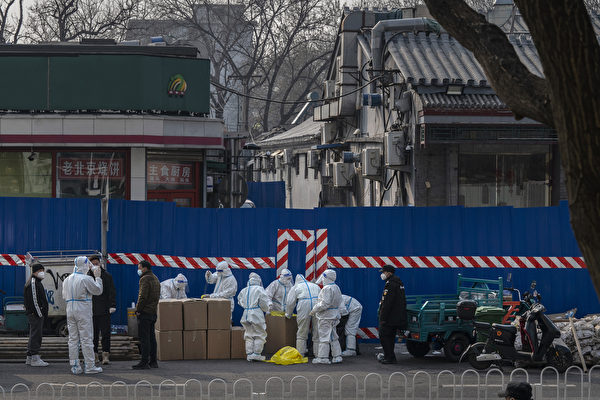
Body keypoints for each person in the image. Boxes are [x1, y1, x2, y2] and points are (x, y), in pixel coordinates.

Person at [62, 256, 103, 374]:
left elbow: (64, 296)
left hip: (70, 309)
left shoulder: (67, 279)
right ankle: (90, 366)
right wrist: (98, 277)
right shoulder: (86, 279)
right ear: (84, 265)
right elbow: (98, 291)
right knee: (86, 338)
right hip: (83, 309)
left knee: (73, 339)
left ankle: (75, 366)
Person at [88, 254, 116, 366]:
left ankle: (105, 354)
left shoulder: (107, 276)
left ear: (100, 263)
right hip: (91, 310)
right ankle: (94, 354)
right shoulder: (87, 277)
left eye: (97, 263)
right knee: (92, 334)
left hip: (105, 309)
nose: (95, 266)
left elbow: (112, 292)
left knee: (105, 333)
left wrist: (112, 305)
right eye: (93, 264)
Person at [310, 269, 343, 364]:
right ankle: (337, 356)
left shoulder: (327, 288)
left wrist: (315, 309)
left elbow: (325, 304)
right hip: (334, 315)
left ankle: (323, 357)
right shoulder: (336, 287)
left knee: (324, 337)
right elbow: (340, 301)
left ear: (326, 277)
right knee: (333, 336)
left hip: (326, 316)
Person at [133, 260, 161, 369]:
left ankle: (144, 362)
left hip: (145, 312)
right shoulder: (155, 278)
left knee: (144, 338)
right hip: (153, 312)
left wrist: (138, 309)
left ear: (145, 268)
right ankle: (153, 361)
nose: (138, 270)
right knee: (152, 338)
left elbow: (142, 296)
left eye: (139, 268)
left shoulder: (144, 279)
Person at [237, 272, 271, 361]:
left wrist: (246, 306)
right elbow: (264, 302)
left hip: (246, 313)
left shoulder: (244, 290)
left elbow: (239, 301)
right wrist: (267, 309)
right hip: (256, 313)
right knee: (259, 333)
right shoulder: (259, 289)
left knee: (248, 334)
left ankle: (249, 354)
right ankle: (256, 353)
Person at [378, 264, 407, 364]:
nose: (382, 274)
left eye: (384, 272)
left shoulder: (391, 284)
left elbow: (387, 303)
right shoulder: (398, 282)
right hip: (396, 316)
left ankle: (389, 357)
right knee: (389, 337)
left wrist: (382, 317)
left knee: (384, 336)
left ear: (389, 273)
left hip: (390, 317)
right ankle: (390, 357)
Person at [286, 274, 321, 356]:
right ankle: (318, 354)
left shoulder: (296, 287)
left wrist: (288, 314)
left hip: (303, 304)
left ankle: (301, 353)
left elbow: (290, 302)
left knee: (302, 329)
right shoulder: (315, 286)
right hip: (316, 303)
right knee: (317, 330)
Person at [24, 261, 49, 367]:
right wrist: (40, 313)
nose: (42, 273)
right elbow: (34, 300)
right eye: (40, 271)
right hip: (35, 314)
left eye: (43, 271)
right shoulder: (33, 283)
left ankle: (29, 357)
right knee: (36, 335)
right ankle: (34, 357)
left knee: (34, 334)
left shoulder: (36, 282)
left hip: (35, 313)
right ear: (34, 272)